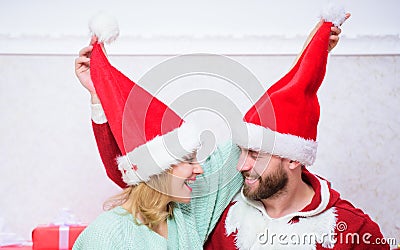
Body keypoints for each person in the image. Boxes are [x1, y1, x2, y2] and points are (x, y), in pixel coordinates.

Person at [204, 14, 389, 250]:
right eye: (242, 152)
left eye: (254, 154)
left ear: (293, 157)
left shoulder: (352, 231)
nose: (240, 165)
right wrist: (311, 50)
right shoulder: (225, 221)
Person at [72, 25, 243, 248]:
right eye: (188, 160)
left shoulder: (185, 216)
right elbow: (121, 165)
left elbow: (250, 142)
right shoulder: (106, 237)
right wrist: (99, 95)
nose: (199, 168)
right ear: (157, 170)